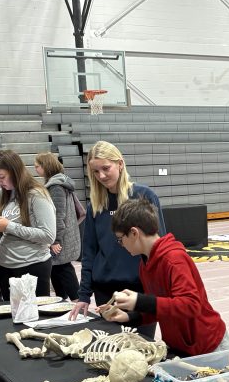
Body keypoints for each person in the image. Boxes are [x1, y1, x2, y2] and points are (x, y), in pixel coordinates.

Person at [101, 199, 229, 358]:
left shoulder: (173, 259)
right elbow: (161, 308)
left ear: (134, 233)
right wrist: (129, 316)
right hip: (182, 347)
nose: (121, 244)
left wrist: (140, 301)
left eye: (121, 239)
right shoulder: (145, 263)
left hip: (208, 347)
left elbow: (191, 304)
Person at [69, 142, 165, 338]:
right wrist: (84, 295)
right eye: (95, 172)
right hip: (106, 293)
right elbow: (89, 253)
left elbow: (159, 248)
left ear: (120, 164)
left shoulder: (144, 196)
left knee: (142, 350)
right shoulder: (95, 206)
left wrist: (160, 292)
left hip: (140, 292)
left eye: (106, 168)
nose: (101, 176)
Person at [0, 149, 56, 300]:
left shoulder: (36, 194)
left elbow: (48, 235)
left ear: (15, 172)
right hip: (6, 265)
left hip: (33, 265)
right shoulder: (2, 193)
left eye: (1, 177)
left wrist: (8, 226)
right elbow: (6, 232)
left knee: (34, 318)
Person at [35, 152, 82, 301]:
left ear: (45, 167)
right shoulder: (58, 183)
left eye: (37, 166)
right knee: (56, 269)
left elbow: (57, 215)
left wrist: (55, 240)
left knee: (63, 268)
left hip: (60, 236)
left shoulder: (55, 186)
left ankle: (77, 302)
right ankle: (62, 302)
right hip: (62, 234)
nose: (35, 169)